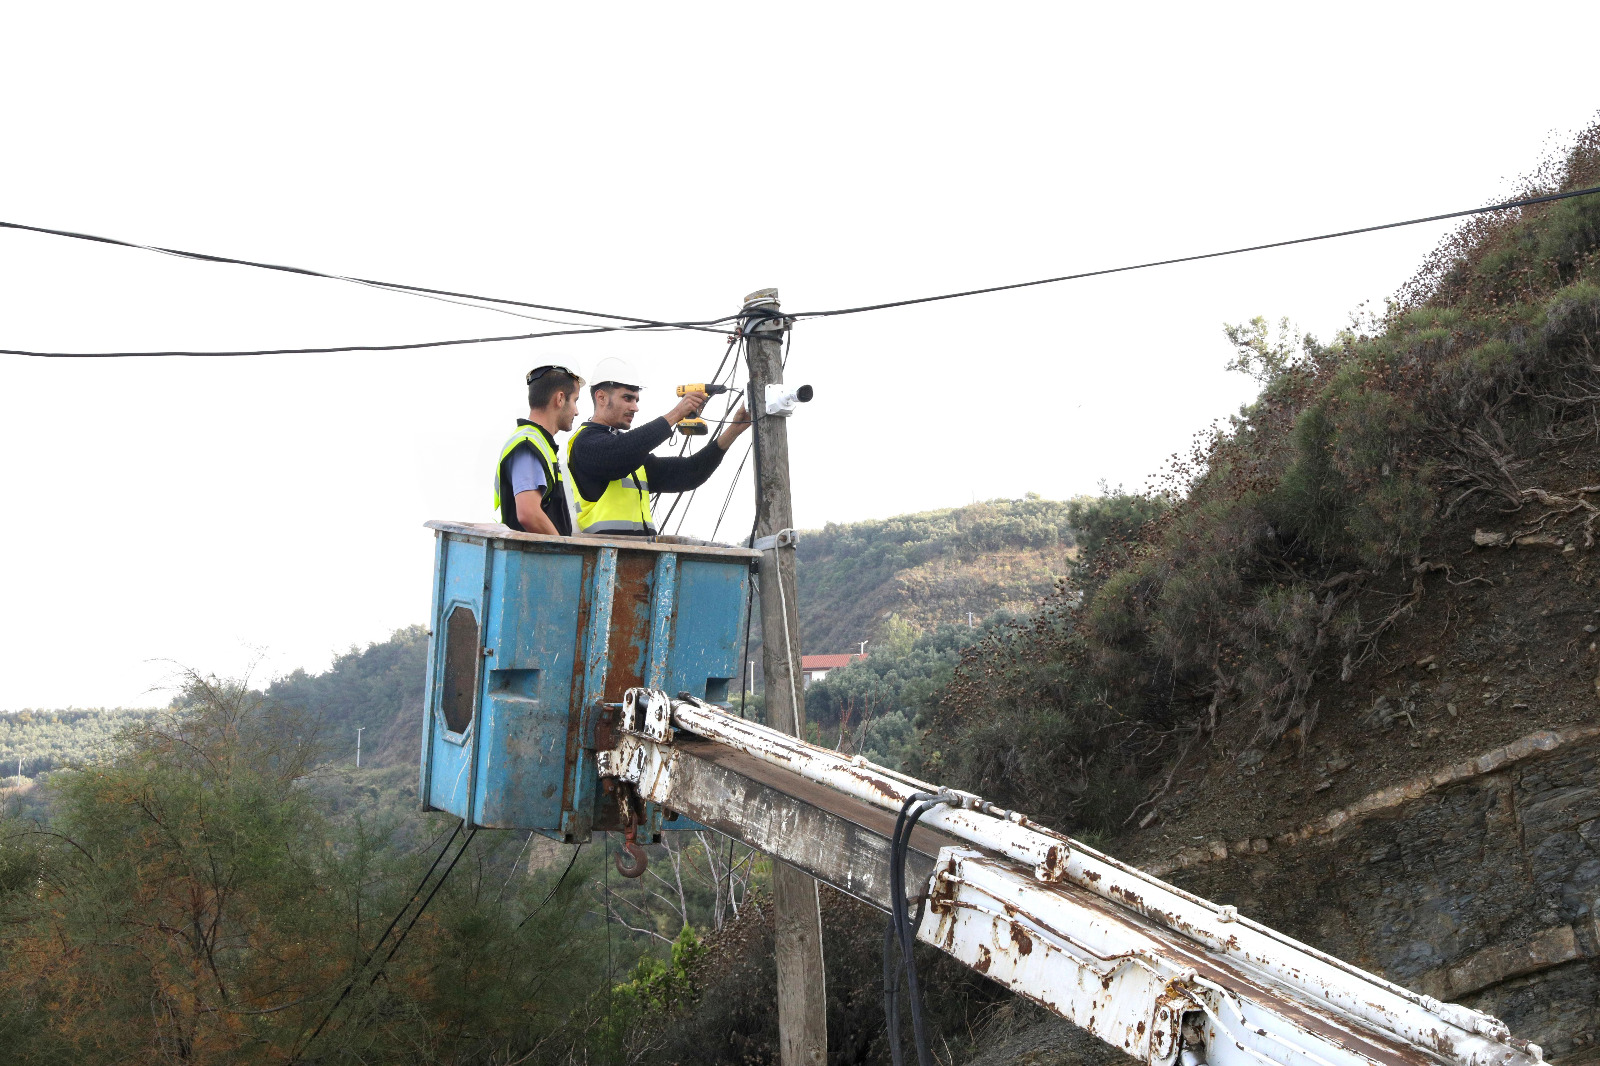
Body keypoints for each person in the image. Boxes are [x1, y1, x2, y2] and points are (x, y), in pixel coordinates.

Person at [566, 356, 750, 536]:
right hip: (602, 559)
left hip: (641, 558)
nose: (635, 407)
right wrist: (676, 413)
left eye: (636, 400)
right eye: (627, 398)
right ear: (601, 397)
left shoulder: (632, 456)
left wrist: (734, 430)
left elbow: (691, 472)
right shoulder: (584, 443)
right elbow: (618, 454)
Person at [493, 364, 584, 536]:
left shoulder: (538, 442)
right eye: (575, 400)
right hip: (534, 561)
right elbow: (529, 514)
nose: (577, 411)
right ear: (560, 399)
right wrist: (564, 552)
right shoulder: (528, 444)